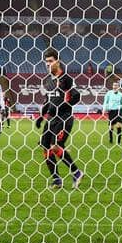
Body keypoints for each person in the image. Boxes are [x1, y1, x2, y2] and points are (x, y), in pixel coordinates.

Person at [35, 60, 84, 189]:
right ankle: (56, 179)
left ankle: (77, 172)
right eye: (46, 61)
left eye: (50, 61)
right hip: (51, 119)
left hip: (63, 118)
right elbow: (48, 101)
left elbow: (76, 96)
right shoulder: (49, 81)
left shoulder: (66, 78)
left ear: (57, 62)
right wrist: (41, 117)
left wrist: (63, 106)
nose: (48, 64)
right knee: (45, 147)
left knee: (55, 146)